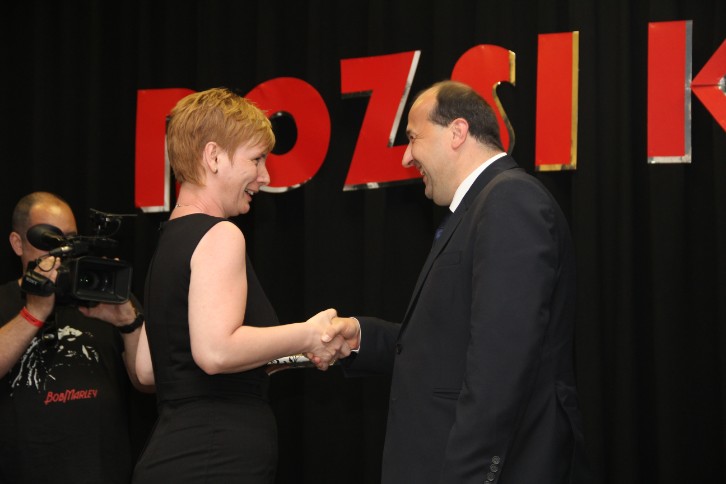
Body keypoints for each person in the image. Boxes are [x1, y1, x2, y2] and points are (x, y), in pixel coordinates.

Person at [321, 80, 587, 483]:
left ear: (458, 132)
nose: (407, 156)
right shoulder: (480, 206)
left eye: (413, 137)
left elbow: (500, 366)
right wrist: (361, 338)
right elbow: (449, 346)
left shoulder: (509, 200)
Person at [132, 87, 350, 483]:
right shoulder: (221, 235)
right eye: (256, 159)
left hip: (175, 454)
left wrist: (303, 352)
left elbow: (149, 370)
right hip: (214, 457)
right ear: (213, 156)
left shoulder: (167, 244)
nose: (265, 177)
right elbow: (216, 352)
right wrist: (307, 333)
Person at [0, 191, 151, 483]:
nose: (61, 251)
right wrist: (34, 312)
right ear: (17, 243)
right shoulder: (4, 301)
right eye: (48, 239)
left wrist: (129, 324)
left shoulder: (106, 296)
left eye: (69, 239)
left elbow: (147, 383)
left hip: (102, 471)